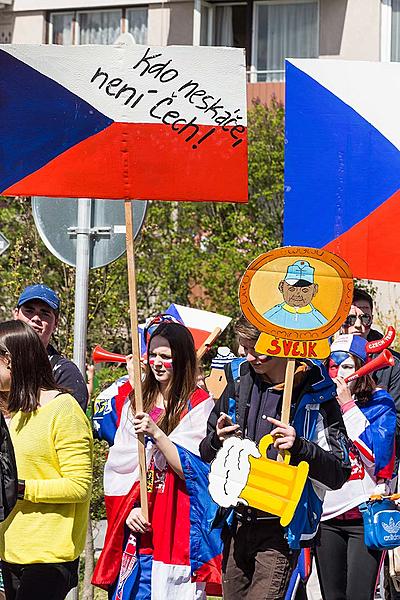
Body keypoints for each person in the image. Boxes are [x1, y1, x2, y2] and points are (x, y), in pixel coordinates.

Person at [200, 315, 351, 600]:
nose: (249, 357)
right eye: (244, 348)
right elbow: (205, 451)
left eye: (256, 349)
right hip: (236, 523)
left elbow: (339, 472)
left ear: (282, 345)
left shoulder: (318, 395)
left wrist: (300, 446)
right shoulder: (239, 382)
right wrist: (216, 439)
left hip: (281, 530)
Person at [92, 319, 222, 599]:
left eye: (166, 356)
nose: (157, 362)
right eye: (153, 355)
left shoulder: (199, 404)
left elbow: (195, 470)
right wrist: (128, 510)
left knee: (172, 587)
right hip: (140, 518)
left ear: (183, 358)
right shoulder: (138, 400)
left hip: (178, 517)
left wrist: (156, 434)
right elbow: (120, 465)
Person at [0, 320, 93, 600]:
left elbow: (79, 486)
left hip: (48, 557)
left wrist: (20, 489)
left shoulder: (63, 410)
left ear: (13, 363)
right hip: (9, 549)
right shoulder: (10, 413)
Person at [316, 334, 396, 600]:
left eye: (348, 366)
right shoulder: (319, 402)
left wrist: (348, 406)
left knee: (359, 595)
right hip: (327, 516)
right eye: (334, 366)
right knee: (332, 596)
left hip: (365, 516)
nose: (339, 373)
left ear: (363, 367)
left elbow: (377, 455)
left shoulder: (381, 402)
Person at [13, 284, 88, 411]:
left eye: (44, 313)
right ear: (16, 314)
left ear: (56, 324)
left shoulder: (64, 373)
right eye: (29, 311)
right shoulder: (2, 361)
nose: (36, 318)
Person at [263, 260, 327, 329]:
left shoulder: (321, 322)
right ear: (281, 286)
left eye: (304, 290)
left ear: (314, 289)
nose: (297, 294)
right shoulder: (269, 317)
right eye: (291, 289)